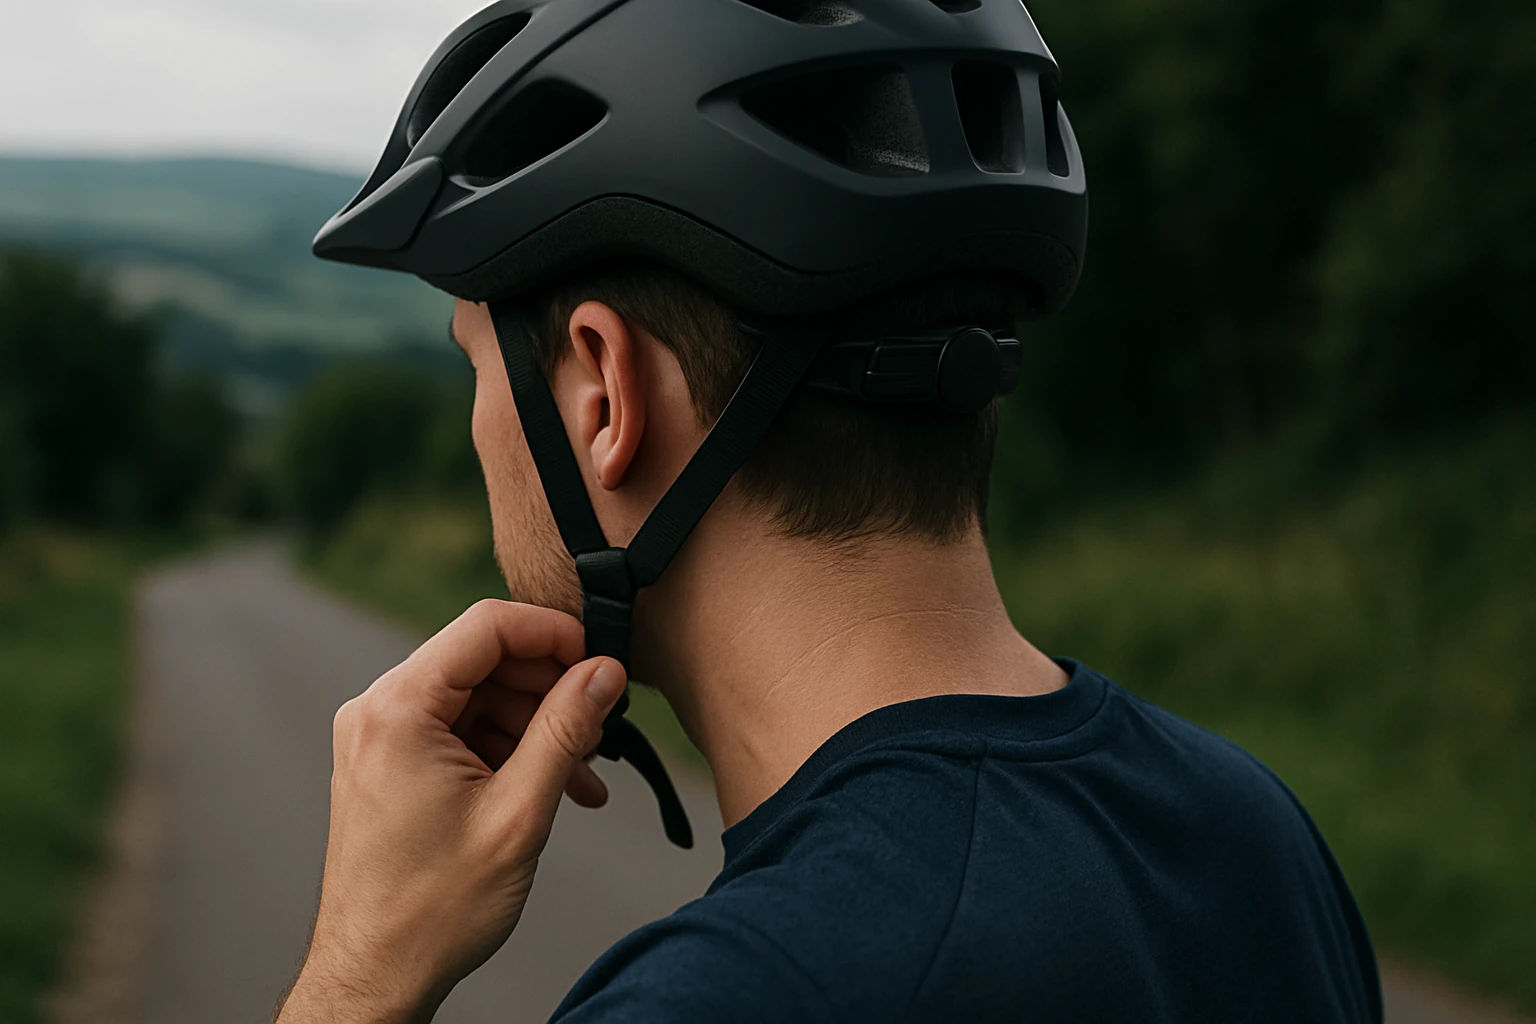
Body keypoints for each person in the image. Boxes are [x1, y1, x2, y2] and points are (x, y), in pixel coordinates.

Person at [278, 0, 1382, 1020]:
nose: (480, 423)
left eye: (474, 361)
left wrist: (358, 970)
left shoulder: (728, 998)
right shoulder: (1255, 837)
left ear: (606, 394)